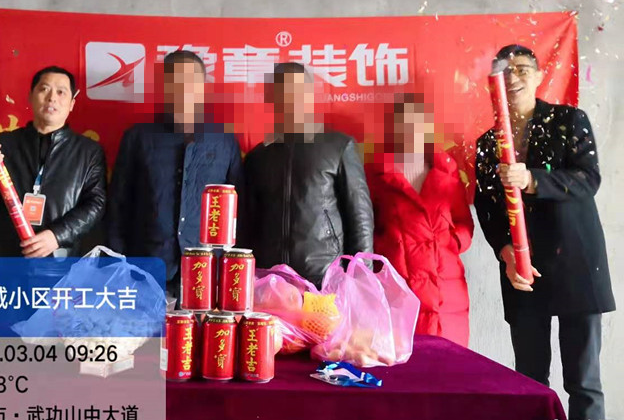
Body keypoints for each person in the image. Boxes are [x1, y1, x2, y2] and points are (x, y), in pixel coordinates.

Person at [474, 45, 615, 420]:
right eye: (504, 72)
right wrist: (505, 251)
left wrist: (533, 179)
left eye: (521, 69)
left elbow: (588, 179)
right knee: (530, 380)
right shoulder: (487, 143)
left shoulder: (569, 120)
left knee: (583, 383)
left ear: (537, 76)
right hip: (523, 273)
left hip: (576, 266)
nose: (513, 78)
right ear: (492, 84)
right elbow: (487, 208)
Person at [107, 50, 243, 299]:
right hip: (145, 270)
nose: (183, 88)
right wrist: (119, 265)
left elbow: (237, 212)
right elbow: (118, 206)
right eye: (174, 81)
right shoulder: (138, 138)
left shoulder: (225, 141)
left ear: (203, 87)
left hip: (206, 273)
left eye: (191, 80)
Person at [241, 62, 373, 287]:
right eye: (283, 92)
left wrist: (361, 280)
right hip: (270, 283)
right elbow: (247, 225)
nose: (291, 100)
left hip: (325, 280)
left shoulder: (339, 147)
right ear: (272, 99)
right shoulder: (258, 157)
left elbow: (360, 220)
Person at [0, 66, 107, 258]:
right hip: (5, 259)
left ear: (72, 103)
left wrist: (57, 235)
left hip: (59, 261)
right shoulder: (2, 145)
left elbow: (96, 204)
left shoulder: (88, 152)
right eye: (44, 89)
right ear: (30, 96)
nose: (52, 98)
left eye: (61, 92)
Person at [365, 94, 473, 347]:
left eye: (417, 123)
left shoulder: (447, 172)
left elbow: (464, 223)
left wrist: (451, 241)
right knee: (405, 364)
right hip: (399, 287)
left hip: (446, 289)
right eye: (403, 124)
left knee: (451, 362)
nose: (411, 131)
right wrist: (390, 246)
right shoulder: (375, 174)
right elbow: (365, 227)